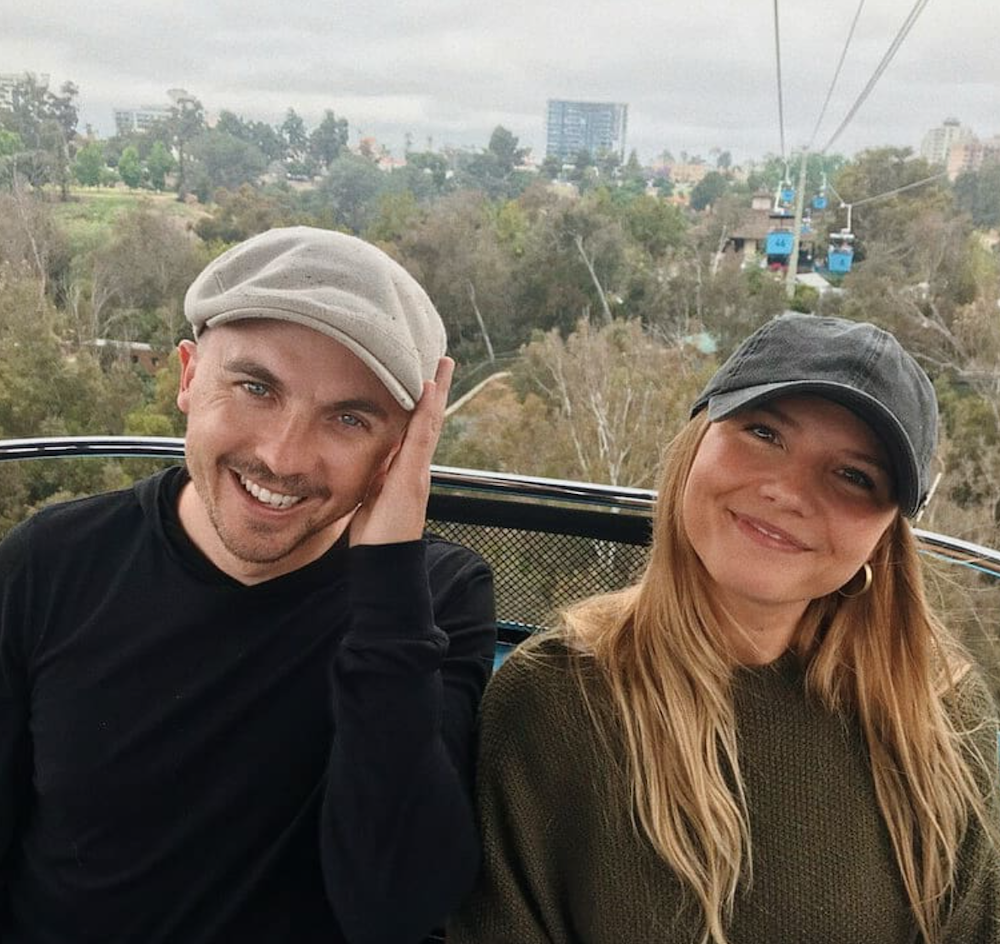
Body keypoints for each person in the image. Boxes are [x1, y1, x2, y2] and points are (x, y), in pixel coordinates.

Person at [0, 227, 496, 944]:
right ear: (188, 376)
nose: (282, 456)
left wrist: (387, 586)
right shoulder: (53, 562)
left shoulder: (434, 598)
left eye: (350, 418)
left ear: (398, 451)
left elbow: (396, 909)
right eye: (256, 387)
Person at [450, 313, 999, 944]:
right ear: (696, 441)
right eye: (764, 432)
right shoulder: (553, 697)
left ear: (882, 538)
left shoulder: (942, 718)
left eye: (854, 475)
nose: (787, 492)